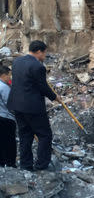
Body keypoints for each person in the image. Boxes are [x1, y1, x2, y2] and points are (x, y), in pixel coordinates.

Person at [7, 40, 62, 171]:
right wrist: (55, 97)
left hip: (17, 105)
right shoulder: (38, 67)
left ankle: (26, 165)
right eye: (44, 53)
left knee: (25, 135)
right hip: (33, 107)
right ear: (39, 52)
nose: (44, 57)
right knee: (45, 135)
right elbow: (43, 87)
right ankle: (42, 165)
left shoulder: (17, 62)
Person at [0, 65, 16, 167]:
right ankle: (10, 164)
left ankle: (1, 163)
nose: (10, 78)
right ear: (4, 75)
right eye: (9, 75)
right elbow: (10, 104)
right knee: (9, 142)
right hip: (6, 118)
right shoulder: (4, 87)